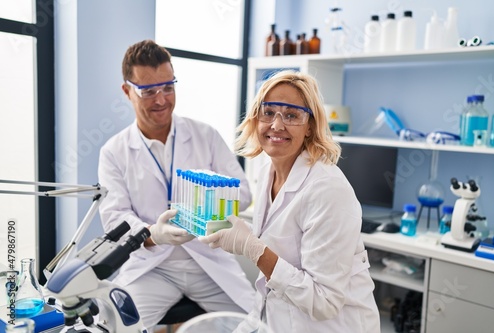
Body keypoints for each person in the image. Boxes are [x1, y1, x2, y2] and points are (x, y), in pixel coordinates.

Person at [200, 70, 381, 332]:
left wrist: (255, 249)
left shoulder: (327, 189)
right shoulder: (267, 172)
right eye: (269, 112)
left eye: (292, 115)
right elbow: (273, 279)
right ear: (255, 118)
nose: (276, 125)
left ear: (310, 126)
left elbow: (323, 302)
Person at [97, 39, 255, 330]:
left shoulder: (205, 135)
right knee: (113, 326)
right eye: (148, 91)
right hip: (152, 266)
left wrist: (200, 215)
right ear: (127, 91)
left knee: (257, 324)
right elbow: (114, 218)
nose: (161, 100)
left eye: (168, 87)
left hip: (208, 260)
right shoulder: (114, 151)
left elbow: (243, 194)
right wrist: (154, 233)